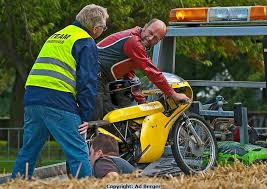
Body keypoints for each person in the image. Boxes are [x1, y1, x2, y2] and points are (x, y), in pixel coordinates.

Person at [11, 4, 109, 179]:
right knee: (77, 149)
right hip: (58, 100)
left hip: (33, 98)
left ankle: (17, 183)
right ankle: (86, 184)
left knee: (29, 150)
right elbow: (87, 82)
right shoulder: (85, 41)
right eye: (104, 27)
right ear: (96, 28)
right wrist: (85, 116)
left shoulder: (57, 35)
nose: (103, 30)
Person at [92, 18, 190, 120]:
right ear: (146, 25)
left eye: (155, 38)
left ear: (159, 41)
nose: (150, 38)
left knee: (112, 116)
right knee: (96, 120)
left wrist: (142, 102)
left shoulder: (136, 41)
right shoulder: (134, 41)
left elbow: (129, 74)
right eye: (150, 33)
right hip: (94, 74)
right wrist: (173, 94)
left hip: (100, 77)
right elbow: (152, 72)